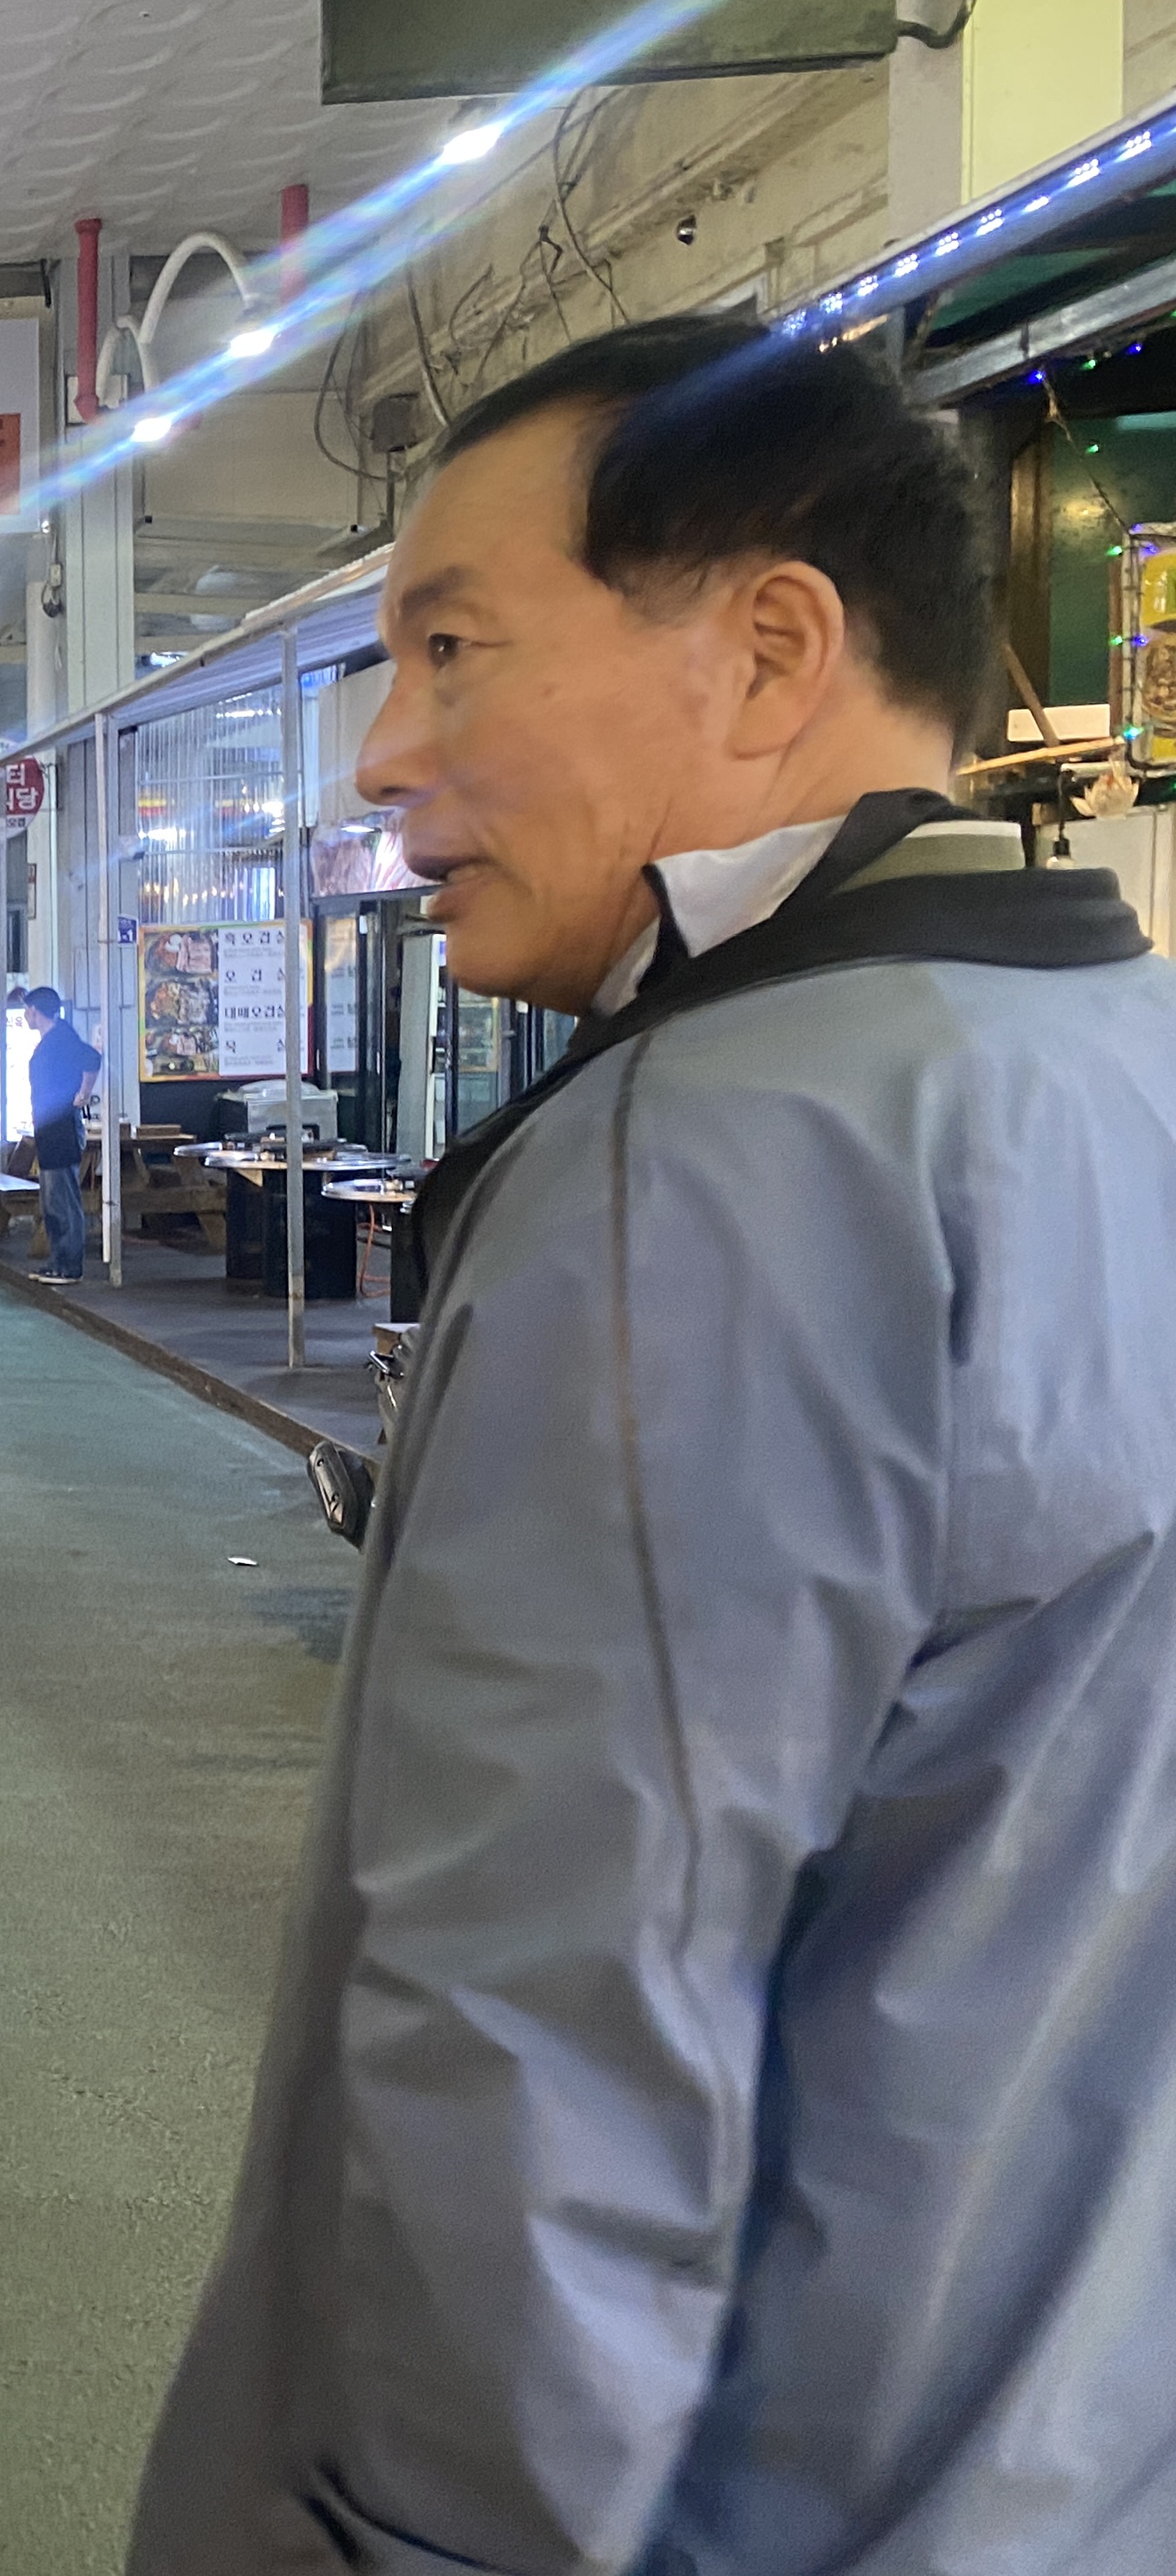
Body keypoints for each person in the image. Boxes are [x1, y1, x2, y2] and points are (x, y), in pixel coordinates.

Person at [130, 316, 1176, 2572]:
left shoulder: (711, 1158)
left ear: (770, 649)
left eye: (452, 651)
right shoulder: (1117, 1067)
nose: (380, 760)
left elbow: (552, 2021)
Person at [20, 985, 98, 1283]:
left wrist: (83, 1095)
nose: (25, 1015)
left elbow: (93, 1059)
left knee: (63, 1199)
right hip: (50, 1129)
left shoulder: (62, 1039)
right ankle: (58, 1261)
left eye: (26, 1010)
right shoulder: (55, 1039)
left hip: (61, 1129)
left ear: (35, 1011)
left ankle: (69, 1266)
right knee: (52, 1201)